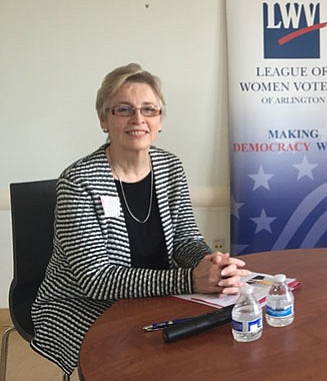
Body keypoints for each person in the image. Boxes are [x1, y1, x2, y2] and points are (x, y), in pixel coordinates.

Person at [31, 63, 249, 376]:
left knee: (207, 343)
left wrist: (210, 263)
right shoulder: (79, 183)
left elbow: (185, 239)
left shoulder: (170, 167)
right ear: (104, 119)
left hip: (154, 293)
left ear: (160, 120)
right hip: (80, 303)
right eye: (124, 109)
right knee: (129, 361)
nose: (138, 119)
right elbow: (96, 280)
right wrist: (190, 280)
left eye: (149, 109)